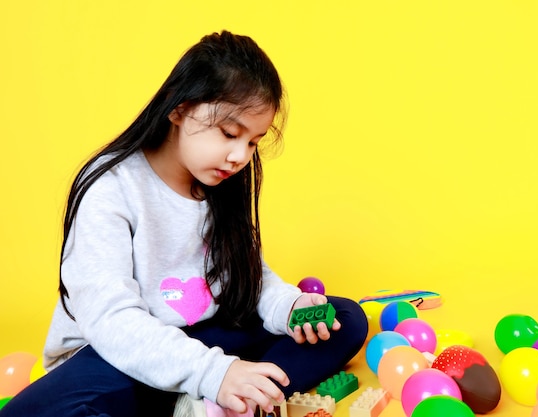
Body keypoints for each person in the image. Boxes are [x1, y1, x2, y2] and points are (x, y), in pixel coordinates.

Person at [0, 30, 368, 417]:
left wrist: (288, 306)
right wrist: (214, 372)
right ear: (178, 109)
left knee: (344, 319)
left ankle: (216, 405)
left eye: (253, 142)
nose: (239, 156)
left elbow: (247, 276)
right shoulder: (112, 186)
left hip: (205, 342)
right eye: (229, 133)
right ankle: (214, 396)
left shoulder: (220, 184)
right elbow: (111, 321)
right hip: (115, 356)